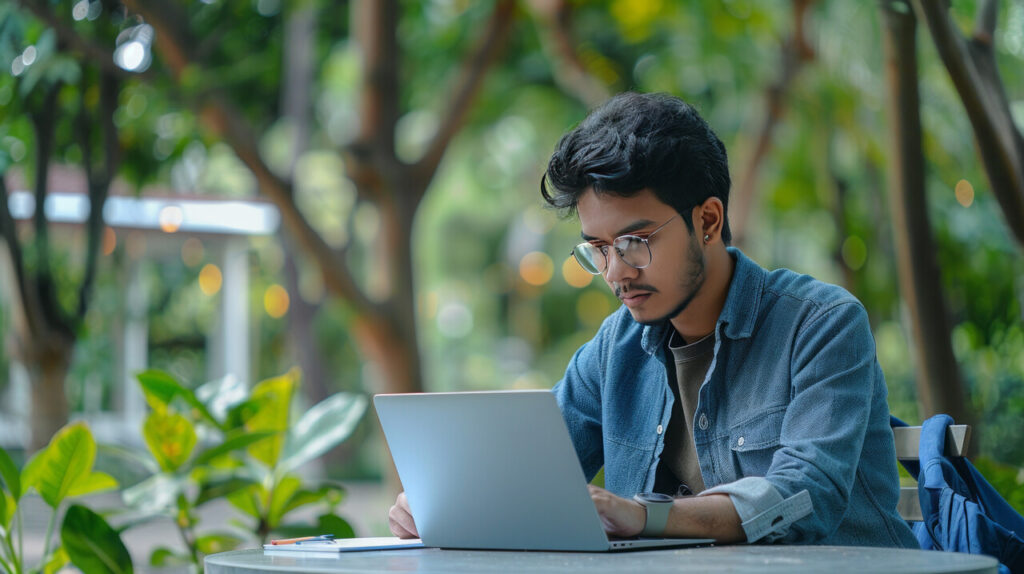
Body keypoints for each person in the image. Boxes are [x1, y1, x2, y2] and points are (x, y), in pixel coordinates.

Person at [389, 92, 917, 547]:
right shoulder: (613, 350)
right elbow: (531, 475)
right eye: (598, 248)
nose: (616, 271)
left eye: (635, 242)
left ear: (707, 220)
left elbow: (806, 494)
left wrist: (644, 517)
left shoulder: (821, 323)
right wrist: (445, 502)